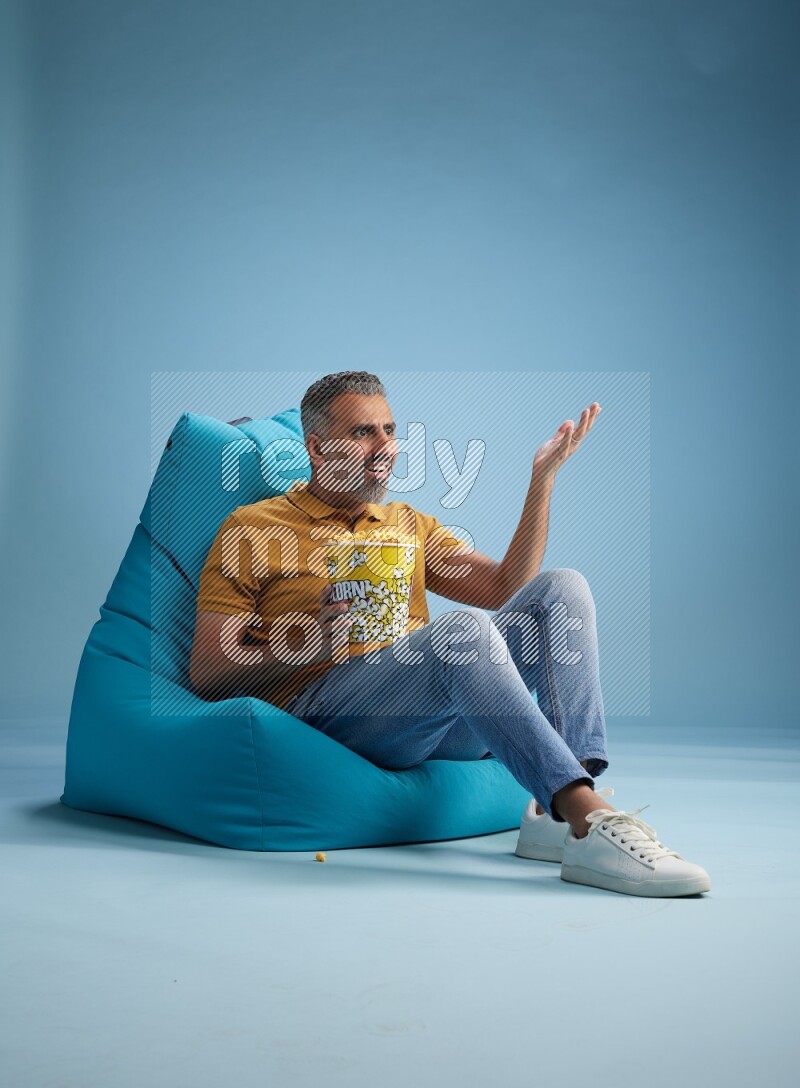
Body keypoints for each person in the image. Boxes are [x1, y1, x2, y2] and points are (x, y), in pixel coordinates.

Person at [190, 371, 710, 898]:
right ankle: (589, 819)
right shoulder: (252, 526)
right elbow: (208, 674)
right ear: (318, 448)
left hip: (429, 716)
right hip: (333, 718)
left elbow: (507, 586)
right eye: (363, 433)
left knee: (561, 589)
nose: (385, 448)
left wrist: (542, 481)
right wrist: (304, 644)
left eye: (389, 431)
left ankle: (562, 812)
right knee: (461, 630)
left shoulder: (407, 524)